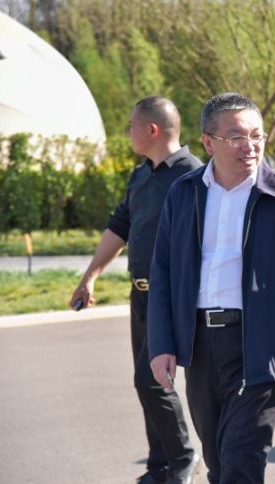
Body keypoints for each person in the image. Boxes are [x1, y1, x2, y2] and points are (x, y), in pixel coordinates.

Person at [147, 92, 275, 484]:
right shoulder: (184, 193)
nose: (250, 145)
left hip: (259, 345)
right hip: (200, 345)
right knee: (218, 461)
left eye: (257, 135)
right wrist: (161, 345)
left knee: (242, 461)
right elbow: (163, 274)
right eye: (237, 137)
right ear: (209, 142)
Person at [69, 96, 202, 484]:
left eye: (131, 125)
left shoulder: (194, 177)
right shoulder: (141, 175)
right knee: (147, 384)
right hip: (139, 295)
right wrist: (89, 276)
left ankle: (183, 457)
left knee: (151, 381)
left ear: (152, 130)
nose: (127, 132)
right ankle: (159, 465)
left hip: (170, 298)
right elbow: (119, 228)